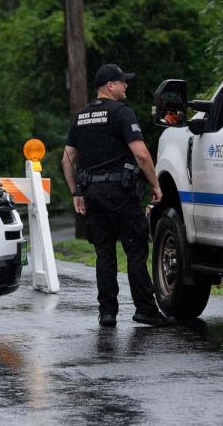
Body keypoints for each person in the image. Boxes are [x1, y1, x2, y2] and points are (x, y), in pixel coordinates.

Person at [61, 63, 174, 327]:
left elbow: (67, 160)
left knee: (104, 253)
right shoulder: (122, 113)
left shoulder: (81, 116)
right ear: (110, 85)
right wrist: (155, 184)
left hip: (92, 194)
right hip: (121, 194)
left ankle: (107, 312)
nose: (127, 86)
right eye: (123, 82)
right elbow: (141, 153)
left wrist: (75, 192)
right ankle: (145, 309)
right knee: (135, 250)